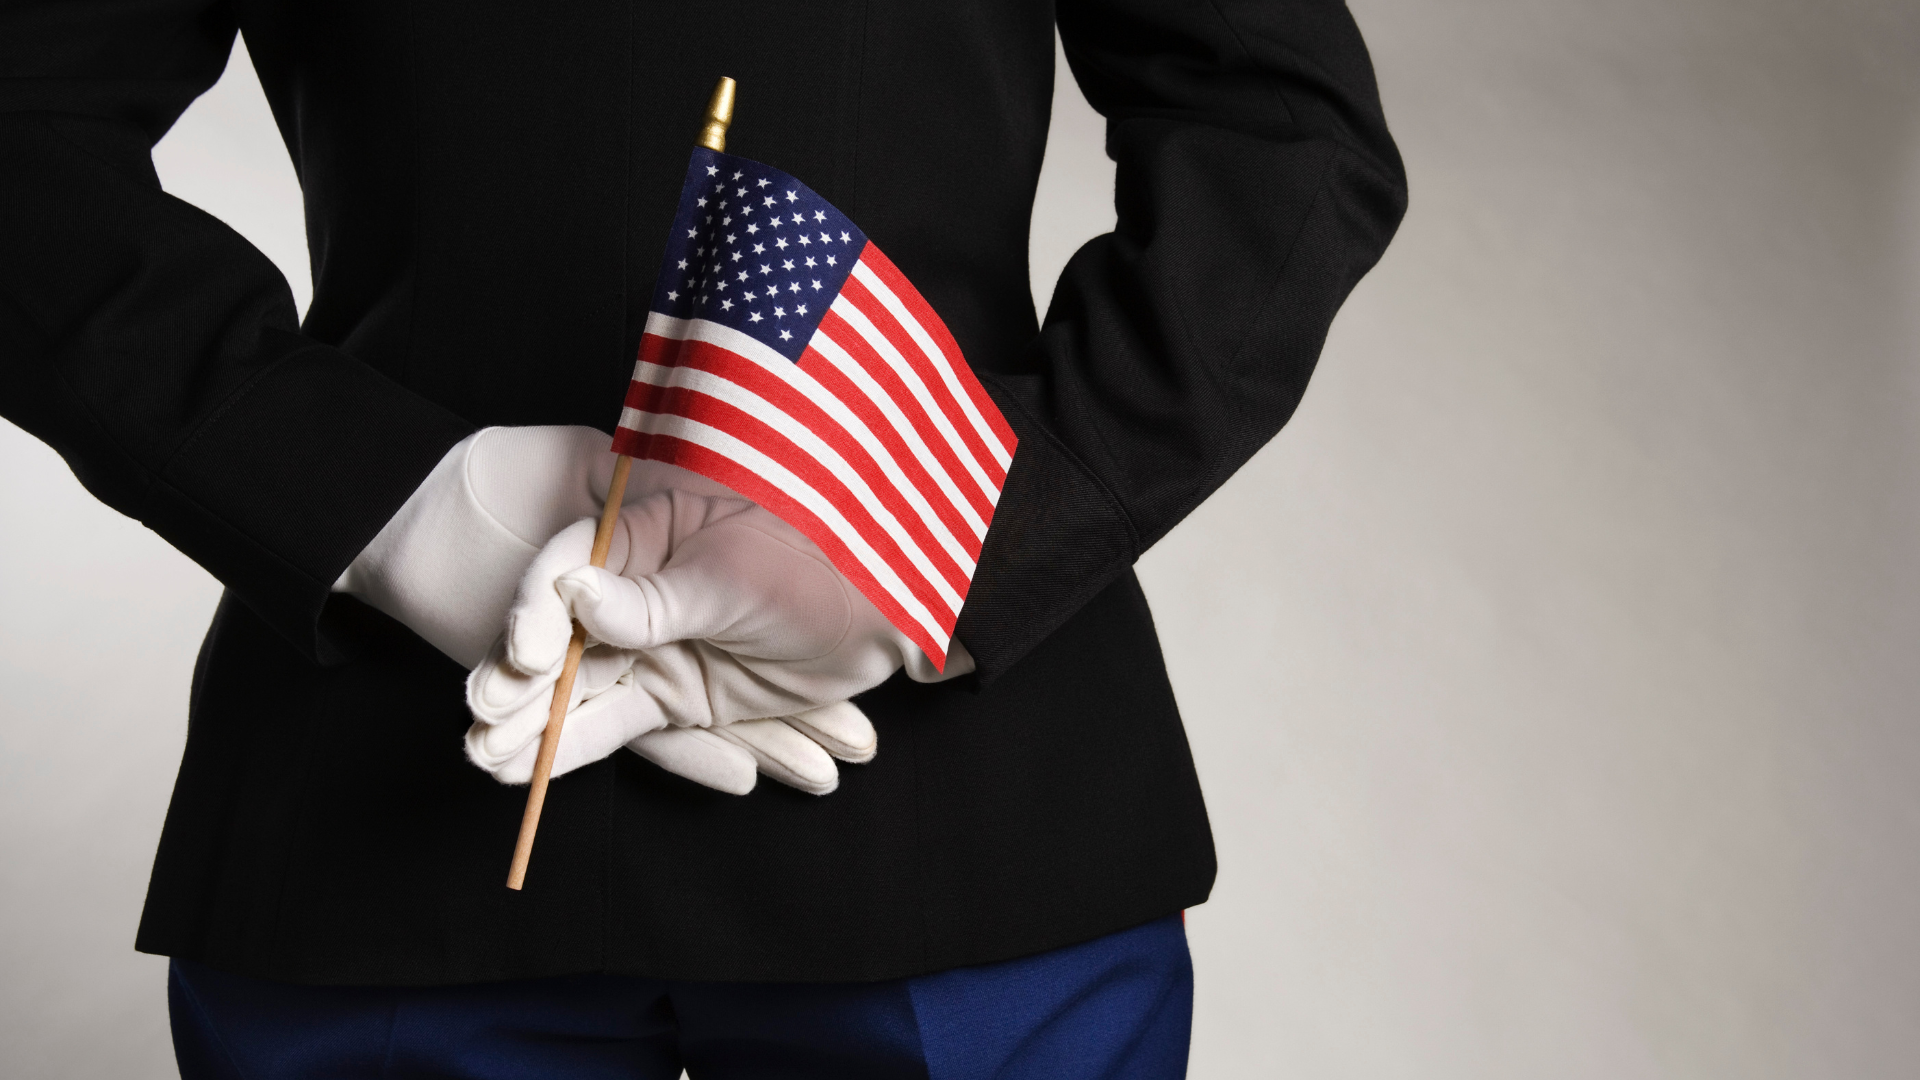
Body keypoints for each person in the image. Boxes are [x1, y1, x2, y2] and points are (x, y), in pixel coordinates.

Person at [0, 0, 1405, 1075]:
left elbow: (1282, 127)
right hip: (402, 816)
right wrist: (392, 506)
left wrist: (947, 531)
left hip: (957, 825)